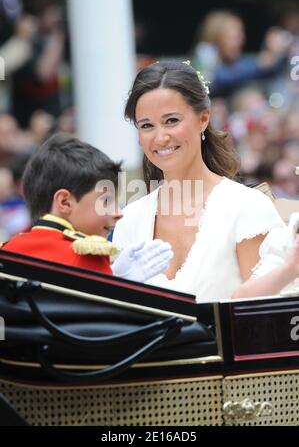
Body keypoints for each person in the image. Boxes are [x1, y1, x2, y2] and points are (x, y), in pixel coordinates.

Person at [113, 60, 285, 301]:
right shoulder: (129, 220)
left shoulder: (246, 207)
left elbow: (262, 314)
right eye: (147, 126)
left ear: (203, 119)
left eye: (171, 120)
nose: (161, 137)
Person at [2, 133, 173, 283]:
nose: (118, 213)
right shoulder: (86, 257)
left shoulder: (9, 250)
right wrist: (120, 286)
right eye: (106, 201)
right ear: (64, 202)